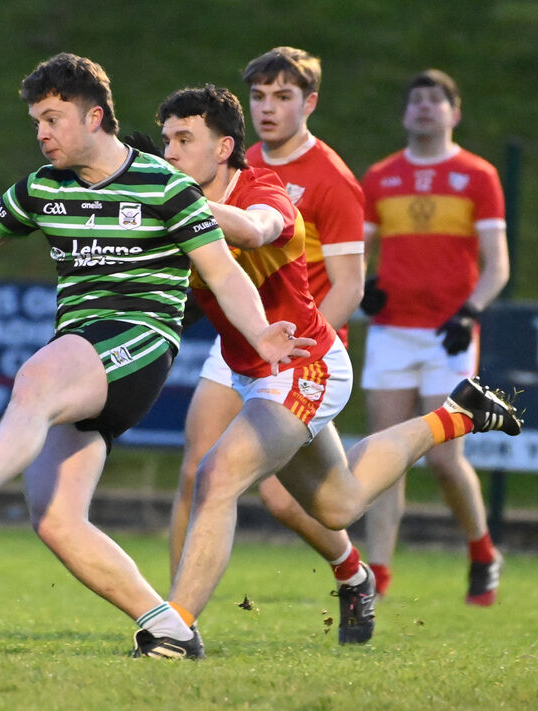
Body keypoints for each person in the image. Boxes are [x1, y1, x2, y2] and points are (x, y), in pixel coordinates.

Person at [0, 53, 315, 658]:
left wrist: (259, 333)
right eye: (35, 122)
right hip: (85, 354)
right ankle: (168, 628)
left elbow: (223, 272)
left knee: (38, 375)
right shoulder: (43, 188)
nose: (42, 133)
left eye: (52, 118)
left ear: (94, 115)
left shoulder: (164, 184)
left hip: (138, 341)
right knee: (54, 517)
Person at [132, 83, 522, 659]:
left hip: (305, 366)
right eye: (166, 140)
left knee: (216, 477)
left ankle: (176, 630)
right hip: (253, 372)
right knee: (338, 506)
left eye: (184, 139)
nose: (170, 153)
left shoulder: (264, 190)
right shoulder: (180, 209)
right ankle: (453, 417)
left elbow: (254, 229)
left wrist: (162, 198)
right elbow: (187, 294)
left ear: (224, 149)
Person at [169, 46, 373, 644]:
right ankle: (174, 614)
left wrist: (301, 357)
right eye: (258, 96)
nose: (267, 108)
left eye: (282, 96)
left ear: (308, 103)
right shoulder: (225, 161)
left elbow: (350, 284)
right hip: (240, 339)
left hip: (296, 343)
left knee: (288, 500)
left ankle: (350, 570)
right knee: (201, 473)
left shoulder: (329, 181)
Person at [359, 69, 510, 605]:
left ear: (455, 112)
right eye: (415, 100)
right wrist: (366, 289)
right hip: (391, 334)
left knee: (445, 460)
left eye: (435, 100)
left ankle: (482, 551)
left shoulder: (478, 175)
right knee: (387, 456)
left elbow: (498, 267)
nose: (424, 108)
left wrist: (468, 314)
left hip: (448, 335)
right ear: (405, 114)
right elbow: (358, 254)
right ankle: (376, 575)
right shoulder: (380, 176)